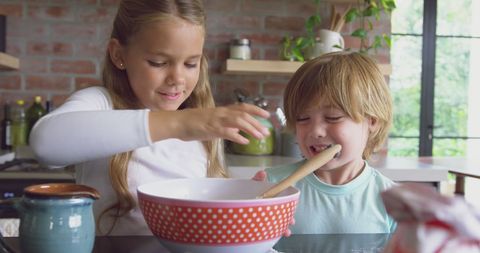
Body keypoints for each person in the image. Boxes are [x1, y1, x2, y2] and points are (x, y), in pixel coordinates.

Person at [30, 0, 270, 236]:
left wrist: (245, 207)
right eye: (158, 62)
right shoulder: (100, 103)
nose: (177, 78)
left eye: (190, 63)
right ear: (118, 55)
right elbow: (45, 143)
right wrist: (180, 124)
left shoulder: (204, 131)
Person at [255, 51, 396, 234]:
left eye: (333, 117)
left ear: (372, 121)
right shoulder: (272, 186)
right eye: (303, 118)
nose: (315, 131)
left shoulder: (392, 202)